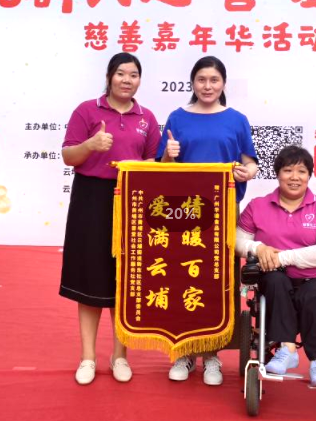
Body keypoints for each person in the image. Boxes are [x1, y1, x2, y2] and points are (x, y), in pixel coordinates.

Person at [59, 52, 161, 385]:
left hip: (132, 199)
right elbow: (68, 155)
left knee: (125, 279)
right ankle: (88, 357)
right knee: (89, 277)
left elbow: (154, 164)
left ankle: (120, 356)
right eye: (121, 74)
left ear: (139, 80)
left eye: (133, 75)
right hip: (91, 198)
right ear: (108, 77)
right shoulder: (87, 110)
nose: (127, 80)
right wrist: (91, 144)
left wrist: (155, 164)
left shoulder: (147, 117)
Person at [157, 55, 258, 385]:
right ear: (192, 83)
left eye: (214, 80)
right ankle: (184, 352)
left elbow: (250, 163)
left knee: (218, 281)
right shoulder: (177, 117)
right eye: (201, 79)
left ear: (223, 83)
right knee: (183, 278)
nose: (207, 86)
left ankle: (212, 355)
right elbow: (161, 167)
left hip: (223, 211)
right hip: (183, 212)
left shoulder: (237, 119)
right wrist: (167, 156)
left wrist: (248, 172)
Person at [235, 146, 316, 387]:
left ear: (309, 175)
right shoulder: (258, 206)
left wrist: (282, 257)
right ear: (277, 174)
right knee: (274, 281)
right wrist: (258, 248)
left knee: (314, 294)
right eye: (288, 170)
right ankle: (287, 350)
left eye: (302, 171)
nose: (295, 177)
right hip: (275, 276)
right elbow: (238, 242)